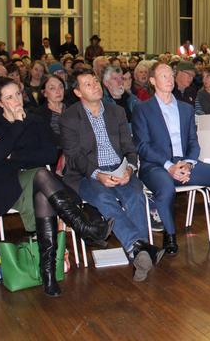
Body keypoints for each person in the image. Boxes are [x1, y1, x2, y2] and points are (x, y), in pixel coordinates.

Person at [0, 76, 113, 296]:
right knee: (41, 175)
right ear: (0, 102)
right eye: (9, 97)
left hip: (37, 180)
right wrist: (17, 126)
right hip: (4, 186)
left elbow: (50, 153)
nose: (16, 101)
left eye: (18, 94)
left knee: (42, 191)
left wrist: (14, 155)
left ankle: (49, 274)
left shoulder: (35, 119)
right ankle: (84, 227)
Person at [132, 62, 210, 258]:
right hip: (156, 166)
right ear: (152, 81)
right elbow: (143, 146)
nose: (169, 79)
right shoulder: (143, 109)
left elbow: (193, 142)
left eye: (171, 75)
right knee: (166, 187)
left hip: (185, 163)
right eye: (164, 76)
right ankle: (170, 235)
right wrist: (170, 166)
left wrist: (189, 163)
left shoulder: (186, 109)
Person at [61, 69, 164, 282]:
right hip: (86, 174)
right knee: (104, 198)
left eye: (96, 81)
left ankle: (139, 253)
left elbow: (129, 146)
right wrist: (98, 174)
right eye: (88, 84)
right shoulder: (69, 117)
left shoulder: (115, 111)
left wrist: (129, 169)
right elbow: (74, 156)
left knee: (135, 194)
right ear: (78, 92)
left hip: (119, 168)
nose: (95, 86)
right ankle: (141, 248)